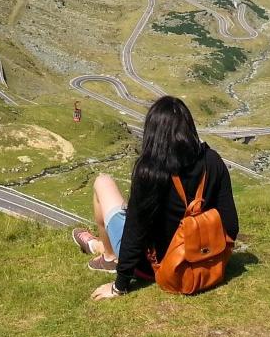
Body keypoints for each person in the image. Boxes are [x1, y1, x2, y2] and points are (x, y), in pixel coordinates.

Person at [70, 95, 239, 300]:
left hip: (154, 268)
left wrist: (119, 286)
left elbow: (135, 232)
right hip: (207, 260)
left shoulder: (151, 171)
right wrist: (207, 251)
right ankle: (97, 245)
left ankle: (108, 255)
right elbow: (231, 225)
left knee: (102, 182)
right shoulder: (212, 160)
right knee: (130, 210)